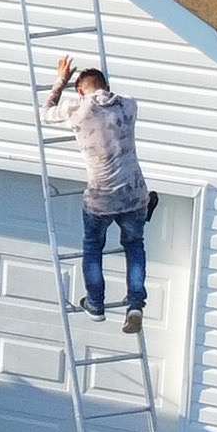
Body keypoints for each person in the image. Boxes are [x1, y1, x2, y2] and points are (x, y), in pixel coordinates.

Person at [44, 57, 151, 327]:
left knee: (93, 247)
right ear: (106, 86)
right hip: (134, 194)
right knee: (134, 246)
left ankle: (95, 303)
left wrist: (60, 81)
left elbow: (44, 113)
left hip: (101, 198)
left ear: (81, 91)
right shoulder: (129, 105)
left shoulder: (79, 110)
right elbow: (108, 99)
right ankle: (135, 305)